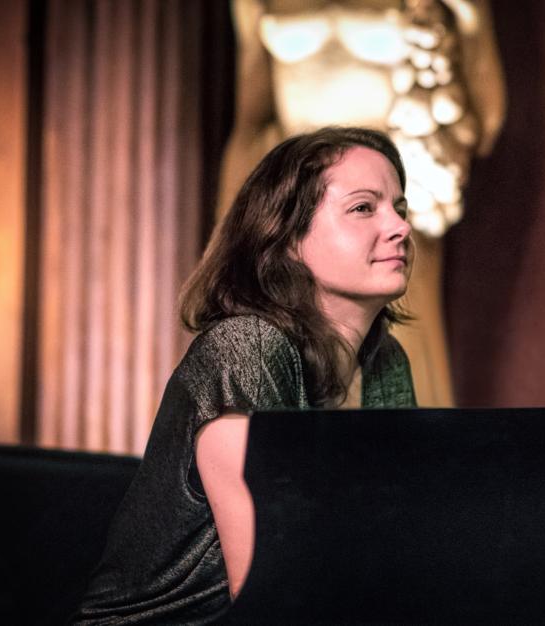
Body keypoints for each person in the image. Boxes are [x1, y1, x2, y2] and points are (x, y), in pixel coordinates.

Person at [72, 127, 417, 624]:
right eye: (364, 208)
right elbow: (264, 589)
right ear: (289, 238)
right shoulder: (246, 350)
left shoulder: (387, 363)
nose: (400, 228)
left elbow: (399, 541)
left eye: (399, 208)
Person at [221, 0, 507, 407]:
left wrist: (471, 18)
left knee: (393, 350)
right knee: (289, 351)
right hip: (300, 203)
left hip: (389, 195)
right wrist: (235, 218)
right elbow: (251, 116)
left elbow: (487, 121)